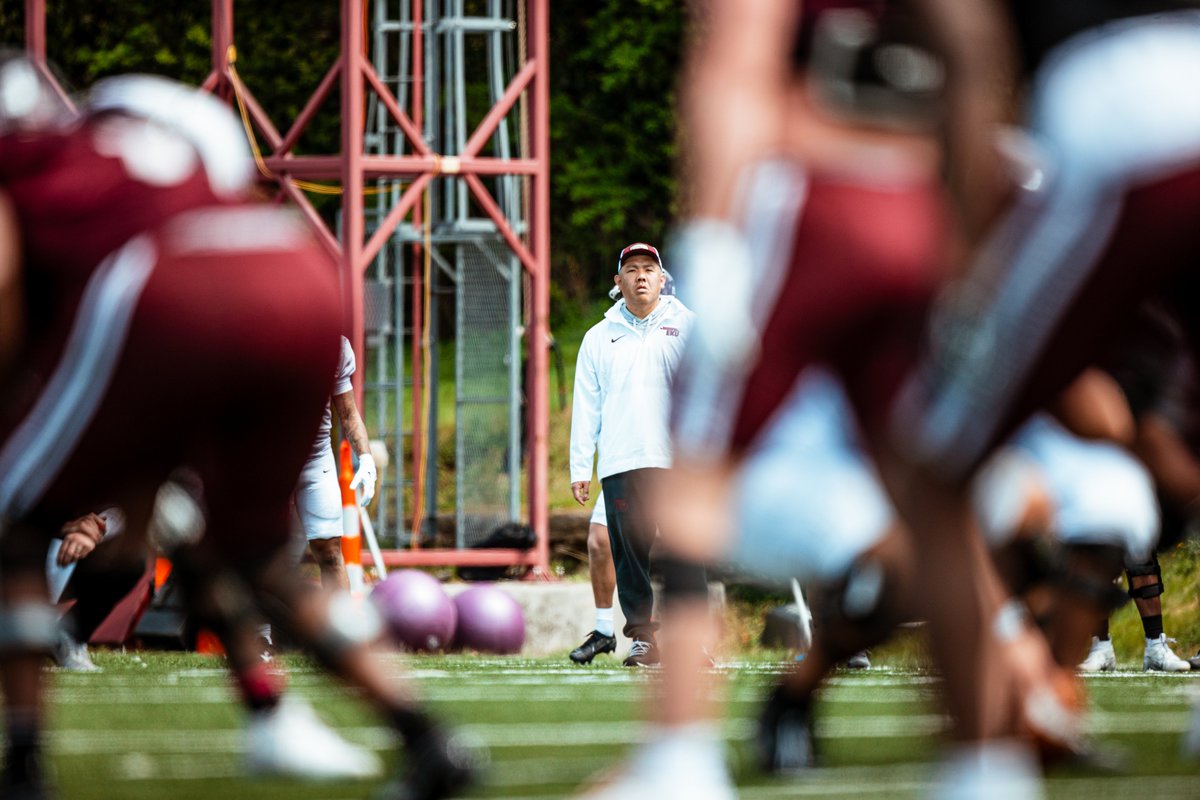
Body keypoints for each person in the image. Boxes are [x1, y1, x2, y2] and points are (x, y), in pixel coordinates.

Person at [0, 62, 473, 800]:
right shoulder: (138, 132)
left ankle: (25, 763)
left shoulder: (25, 162)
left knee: (21, 521)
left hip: (171, 297)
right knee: (249, 556)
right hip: (298, 279)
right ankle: (417, 736)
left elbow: (14, 284)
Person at [569, 241, 699, 667]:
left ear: (662, 278)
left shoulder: (688, 326)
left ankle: (693, 642)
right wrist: (579, 467)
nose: (640, 276)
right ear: (618, 280)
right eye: (631, 269)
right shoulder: (597, 337)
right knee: (630, 558)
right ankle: (642, 638)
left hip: (677, 461)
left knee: (686, 552)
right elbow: (586, 406)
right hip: (621, 461)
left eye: (648, 269)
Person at [299, 335, 376, 592]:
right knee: (270, 557)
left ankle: (340, 616)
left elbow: (349, 413)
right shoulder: (260, 336)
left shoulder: (334, 346)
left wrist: (365, 457)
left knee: (330, 552)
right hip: (270, 457)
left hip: (315, 457)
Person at [569, 489, 618, 664]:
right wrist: (580, 475)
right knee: (599, 541)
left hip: (666, 475)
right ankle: (604, 630)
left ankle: (645, 635)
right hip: (621, 474)